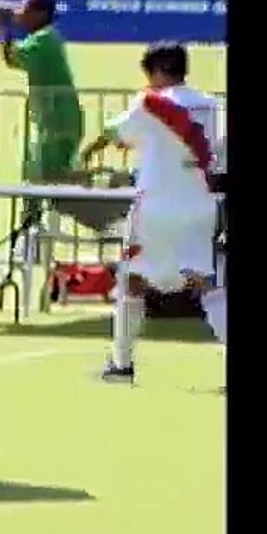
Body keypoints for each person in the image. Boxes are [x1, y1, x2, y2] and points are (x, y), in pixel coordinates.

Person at [79, 43, 225, 383]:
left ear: (156, 71)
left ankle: (121, 364)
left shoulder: (150, 103)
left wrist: (87, 155)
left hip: (157, 208)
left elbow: (113, 133)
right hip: (200, 206)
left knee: (132, 279)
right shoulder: (212, 106)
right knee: (208, 284)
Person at [0, 0, 84, 233]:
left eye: (24, 10)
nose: (19, 14)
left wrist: (3, 29)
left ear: (40, 14)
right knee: (42, 174)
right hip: (54, 119)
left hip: (56, 121)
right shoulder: (44, 38)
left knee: (44, 178)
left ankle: (33, 227)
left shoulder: (43, 40)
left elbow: (12, 58)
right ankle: (35, 226)